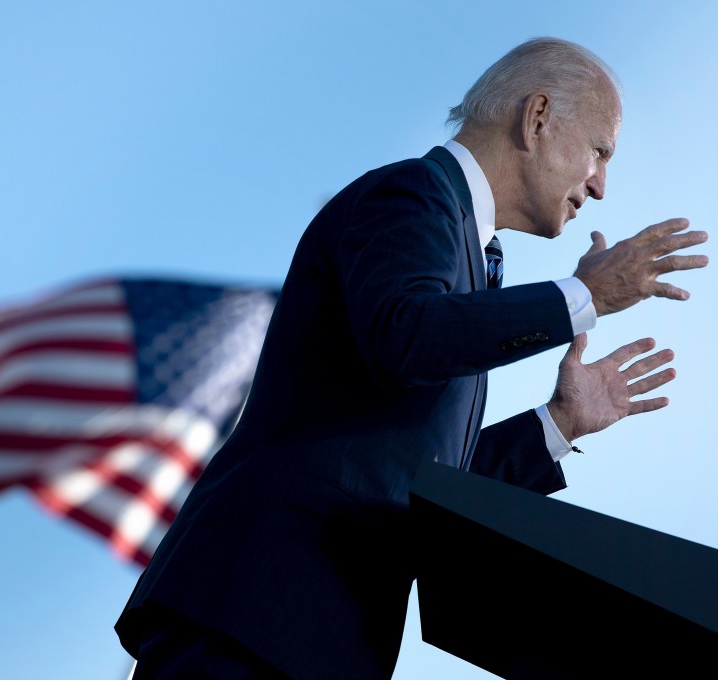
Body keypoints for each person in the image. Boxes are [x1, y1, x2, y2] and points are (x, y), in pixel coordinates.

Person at [114, 37, 709, 680]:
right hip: (255, 612)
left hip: (324, 637)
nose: (599, 185)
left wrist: (558, 424)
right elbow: (406, 335)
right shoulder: (412, 194)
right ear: (537, 116)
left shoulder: (473, 266)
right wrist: (584, 295)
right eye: (600, 151)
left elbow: (419, 486)